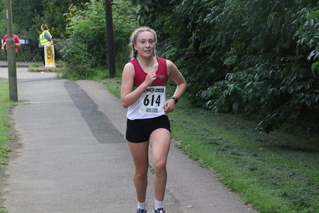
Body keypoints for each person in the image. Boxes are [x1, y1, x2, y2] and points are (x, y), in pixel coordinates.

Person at [121, 27, 187, 213]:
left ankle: (159, 207)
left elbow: (182, 83)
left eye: (151, 41)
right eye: (143, 42)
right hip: (136, 123)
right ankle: (141, 206)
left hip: (158, 121)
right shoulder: (130, 67)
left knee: (159, 163)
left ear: (155, 43)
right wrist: (144, 84)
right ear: (135, 45)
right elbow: (125, 101)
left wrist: (174, 99)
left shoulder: (166, 65)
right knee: (141, 171)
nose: (147, 45)